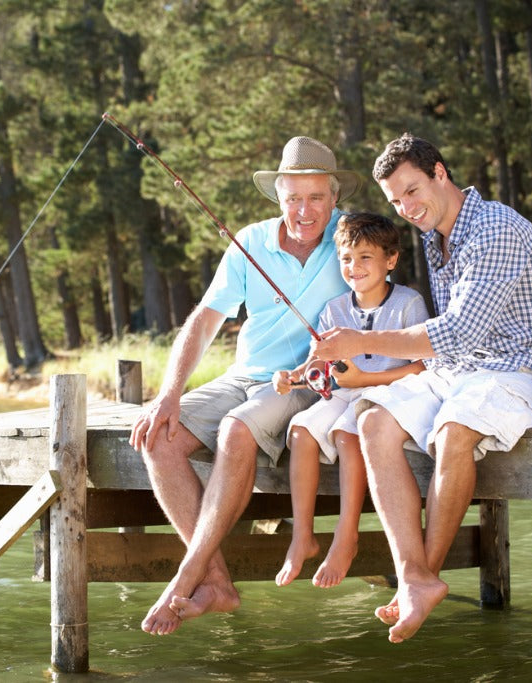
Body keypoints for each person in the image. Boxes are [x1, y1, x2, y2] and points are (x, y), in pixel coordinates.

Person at [311, 133, 532, 644]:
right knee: (372, 420)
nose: (407, 208)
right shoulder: (438, 237)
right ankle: (415, 575)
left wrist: (361, 339)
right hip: (468, 368)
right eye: (396, 201)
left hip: (530, 369)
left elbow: (456, 332)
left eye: (412, 190)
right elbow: (455, 347)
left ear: (440, 172)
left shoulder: (495, 228)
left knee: (453, 430)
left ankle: (420, 578)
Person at [129, 136, 363, 635]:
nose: (304, 211)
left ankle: (187, 575)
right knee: (159, 437)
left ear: (335, 196)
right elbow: (203, 320)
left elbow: (383, 291)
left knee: (238, 429)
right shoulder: (249, 242)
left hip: (307, 382)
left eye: (316, 197)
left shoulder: (350, 239)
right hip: (244, 375)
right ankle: (217, 582)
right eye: (293, 198)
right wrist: (169, 393)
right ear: (278, 197)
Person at [272, 212, 427, 589]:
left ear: (390, 260)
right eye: (346, 258)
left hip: (391, 394)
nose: (353, 267)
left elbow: (422, 367)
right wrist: (291, 378)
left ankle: (346, 536)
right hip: (347, 392)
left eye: (365, 257)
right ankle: (302, 536)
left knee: (347, 433)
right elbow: (316, 364)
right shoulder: (334, 310)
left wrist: (367, 379)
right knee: (301, 432)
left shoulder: (409, 303)